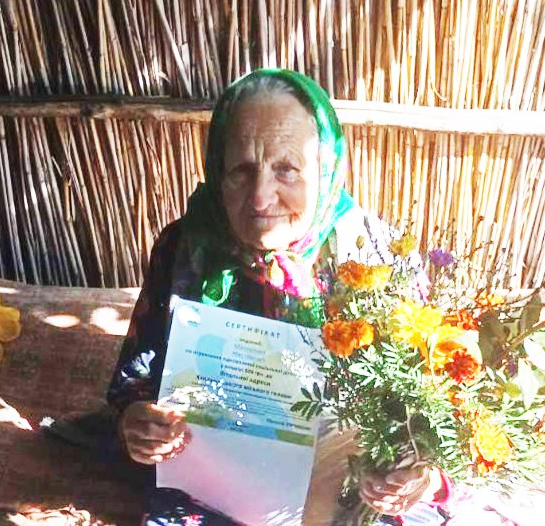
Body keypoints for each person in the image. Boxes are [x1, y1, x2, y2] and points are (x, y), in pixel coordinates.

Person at [107, 69, 447, 525]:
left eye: (286, 169)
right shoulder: (187, 248)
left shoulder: (375, 258)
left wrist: (419, 473)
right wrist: (137, 422)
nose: (260, 198)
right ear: (216, 169)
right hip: (209, 495)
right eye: (241, 171)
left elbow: (435, 415)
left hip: (336, 499)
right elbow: (138, 378)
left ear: (325, 171)